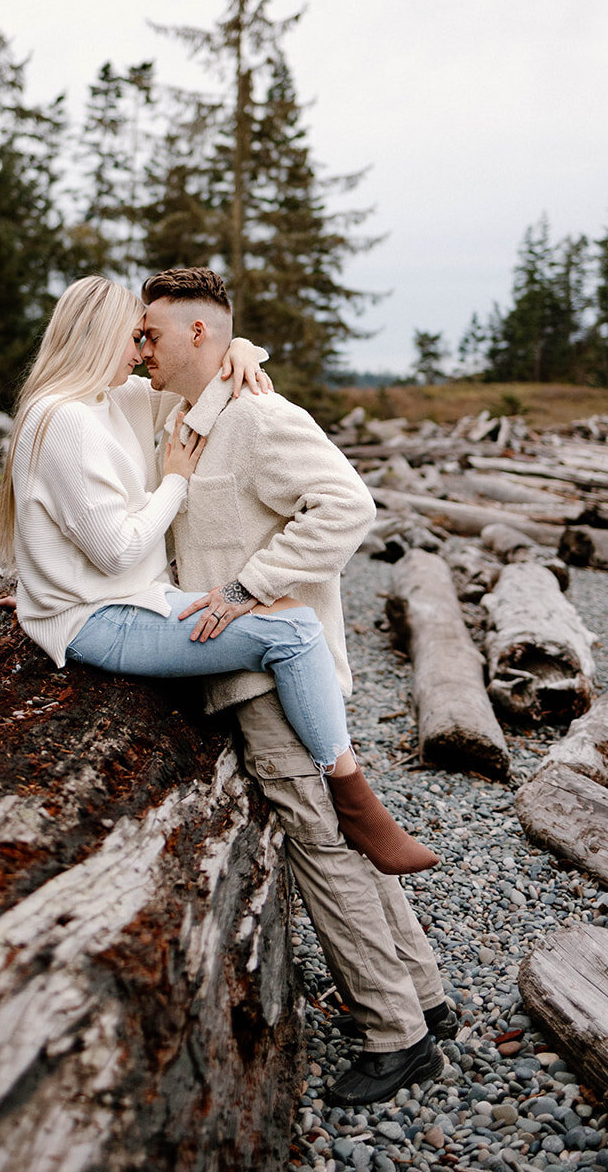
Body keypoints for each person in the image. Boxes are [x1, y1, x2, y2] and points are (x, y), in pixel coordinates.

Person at [139, 267, 453, 1107]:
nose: (142, 348)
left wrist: (247, 587)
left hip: (275, 674)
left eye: (153, 334)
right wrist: (241, 348)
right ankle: (423, 993)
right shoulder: (183, 413)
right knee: (345, 829)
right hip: (250, 669)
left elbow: (347, 505)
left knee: (319, 842)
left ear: (199, 334)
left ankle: (397, 1035)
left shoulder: (261, 418)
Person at [0, 275, 438, 871]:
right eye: (134, 337)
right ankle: (357, 800)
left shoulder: (105, 402)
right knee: (294, 630)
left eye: (147, 337)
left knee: (294, 632)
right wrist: (175, 479)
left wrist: (240, 352)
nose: (140, 351)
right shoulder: (67, 418)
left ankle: (358, 810)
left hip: (118, 603)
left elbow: (192, 387)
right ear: (103, 338)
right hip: (102, 616)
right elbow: (117, 552)